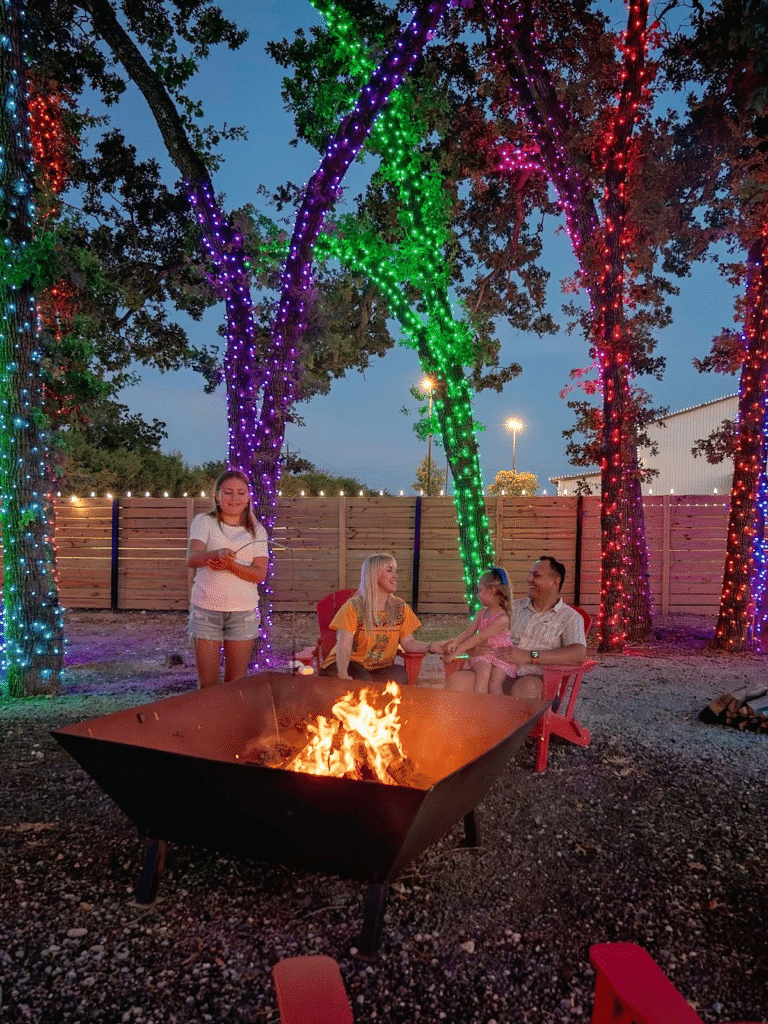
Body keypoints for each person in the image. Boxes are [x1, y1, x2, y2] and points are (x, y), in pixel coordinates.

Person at [187, 470, 268, 688]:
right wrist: (215, 554)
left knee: (236, 684)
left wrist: (230, 565)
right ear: (216, 495)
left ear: (249, 497)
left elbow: (259, 573)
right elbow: (192, 558)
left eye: (241, 492)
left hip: (243, 614)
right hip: (206, 610)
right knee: (208, 685)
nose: (234, 498)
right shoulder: (204, 522)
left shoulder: (257, 531)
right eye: (228, 492)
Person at [320, 552, 433, 684]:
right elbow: (344, 645)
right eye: (389, 571)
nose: (395, 576)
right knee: (363, 681)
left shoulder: (400, 608)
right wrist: (343, 673)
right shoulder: (353, 607)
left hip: (377, 669)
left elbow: (408, 642)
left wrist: (432, 647)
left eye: (395, 571)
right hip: (343, 666)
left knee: (399, 675)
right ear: (373, 575)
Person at [494, 555, 587, 698]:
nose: (529, 579)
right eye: (530, 575)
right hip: (498, 672)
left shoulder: (570, 618)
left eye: (536, 575)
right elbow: (488, 633)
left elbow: (578, 655)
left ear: (554, 582)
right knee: (462, 679)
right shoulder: (513, 608)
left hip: (537, 681)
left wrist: (530, 656)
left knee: (526, 687)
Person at [436, 567, 514, 693]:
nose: (478, 595)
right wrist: (455, 642)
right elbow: (469, 632)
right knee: (484, 671)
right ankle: (478, 706)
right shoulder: (482, 612)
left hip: (500, 657)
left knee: (495, 683)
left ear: (492, 591)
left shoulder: (502, 618)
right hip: (483, 654)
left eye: (480, 590)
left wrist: (456, 652)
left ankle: (497, 709)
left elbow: (479, 637)